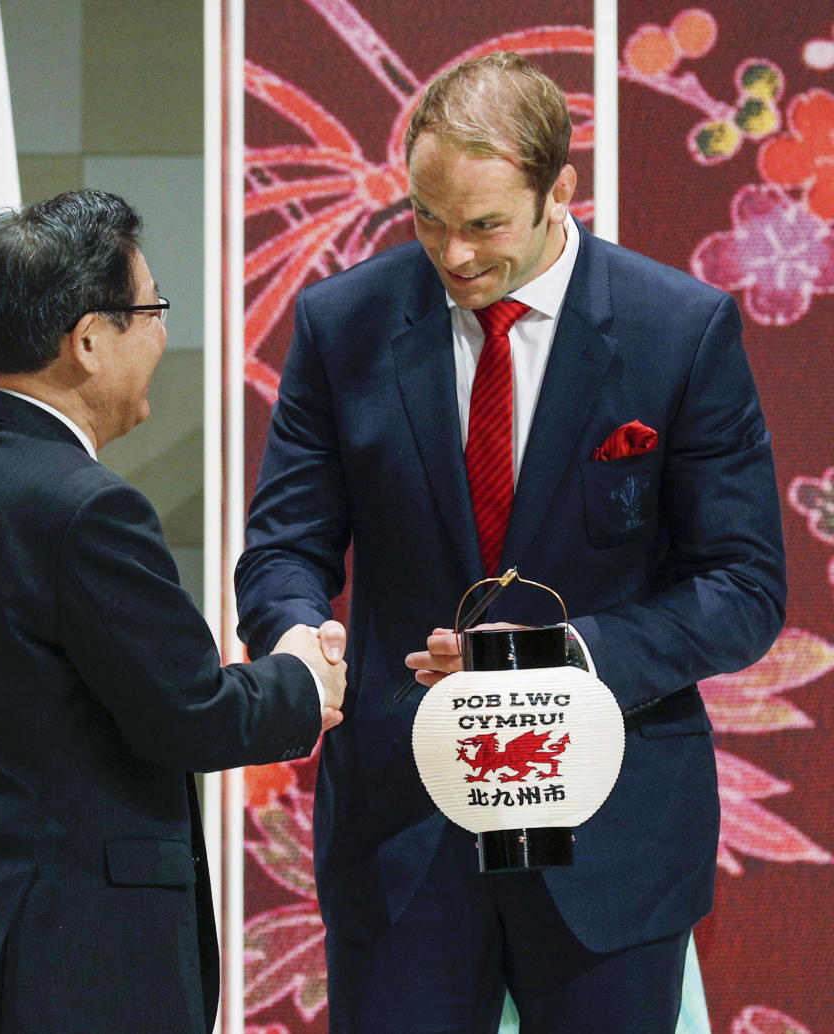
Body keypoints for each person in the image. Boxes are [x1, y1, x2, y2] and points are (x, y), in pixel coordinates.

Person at [235, 52, 786, 1034]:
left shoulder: (677, 330)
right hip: (404, 826)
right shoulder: (342, 325)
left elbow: (742, 586)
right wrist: (294, 629)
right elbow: (284, 541)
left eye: (485, 223)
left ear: (558, 193)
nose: (453, 253)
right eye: (427, 218)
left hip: (611, 829)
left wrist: (563, 659)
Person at [0, 189, 346, 1034]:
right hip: (69, 967)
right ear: (89, 341)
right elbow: (191, 714)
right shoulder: (89, 510)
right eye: (151, 310)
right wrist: (303, 682)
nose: (162, 333)